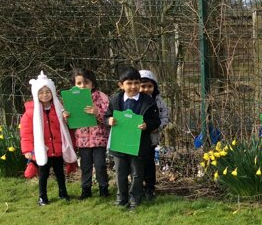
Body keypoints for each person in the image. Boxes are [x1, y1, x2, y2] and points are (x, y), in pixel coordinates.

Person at [105, 67, 161, 210]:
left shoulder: (148, 101)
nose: (133, 86)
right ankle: (121, 199)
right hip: (119, 144)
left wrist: (147, 125)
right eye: (129, 83)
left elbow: (156, 121)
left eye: (136, 83)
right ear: (121, 85)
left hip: (139, 145)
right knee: (120, 173)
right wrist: (109, 120)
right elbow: (107, 116)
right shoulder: (115, 100)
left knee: (137, 173)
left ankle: (135, 198)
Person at [20, 71, 78, 205]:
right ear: (36, 94)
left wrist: (67, 119)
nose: (45, 95)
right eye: (41, 92)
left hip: (57, 148)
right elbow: (26, 133)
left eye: (48, 92)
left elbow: (67, 127)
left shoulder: (60, 109)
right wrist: (28, 150)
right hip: (43, 149)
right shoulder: (30, 113)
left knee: (59, 173)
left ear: (52, 92)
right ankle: (42, 197)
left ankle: (63, 193)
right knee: (43, 174)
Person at [62, 69, 110, 200]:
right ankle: (86, 189)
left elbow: (108, 117)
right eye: (79, 83)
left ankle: (103, 188)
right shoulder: (71, 98)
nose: (83, 86)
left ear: (93, 84)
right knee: (85, 166)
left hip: (99, 139)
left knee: (100, 165)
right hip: (82, 140)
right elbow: (69, 123)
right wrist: (66, 117)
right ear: (74, 85)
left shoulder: (101, 97)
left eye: (86, 82)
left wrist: (97, 112)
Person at [139, 69, 171, 200]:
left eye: (150, 86)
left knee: (149, 164)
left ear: (154, 87)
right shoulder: (134, 100)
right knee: (136, 165)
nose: (146, 89)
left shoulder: (158, 101)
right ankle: (137, 187)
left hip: (151, 138)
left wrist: (156, 128)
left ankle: (150, 188)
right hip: (135, 139)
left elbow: (165, 117)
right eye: (143, 86)